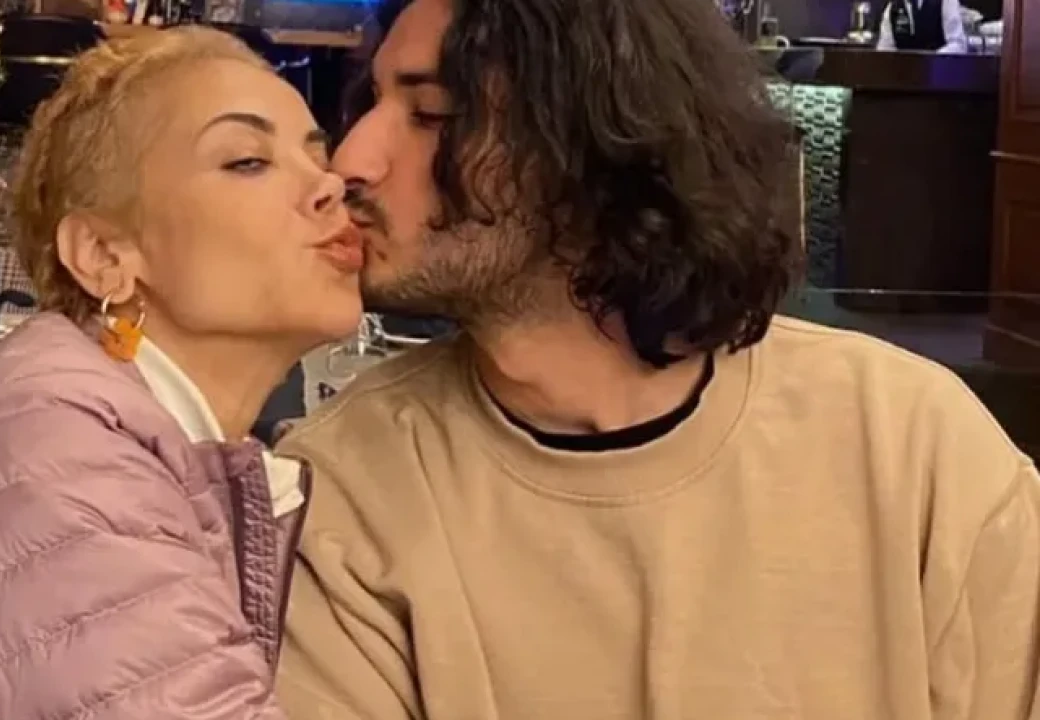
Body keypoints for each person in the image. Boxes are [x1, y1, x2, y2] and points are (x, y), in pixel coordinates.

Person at [274, 0, 1040, 717]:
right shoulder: (338, 494)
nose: (351, 159)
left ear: (597, 146)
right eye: (369, 103)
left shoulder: (911, 445)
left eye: (433, 114)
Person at [0, 26, 361, 718]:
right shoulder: (61, 456)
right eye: (248, 160)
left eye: (319, 156)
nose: (330, 185)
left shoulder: (136, 431)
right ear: (103, 255)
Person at [876, 0, 968, 53]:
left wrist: (930, 62)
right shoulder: (893, 7)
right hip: (904, 76)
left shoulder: (945, 2)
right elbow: (885, 49)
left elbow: (958, 44)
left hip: (941, 75)